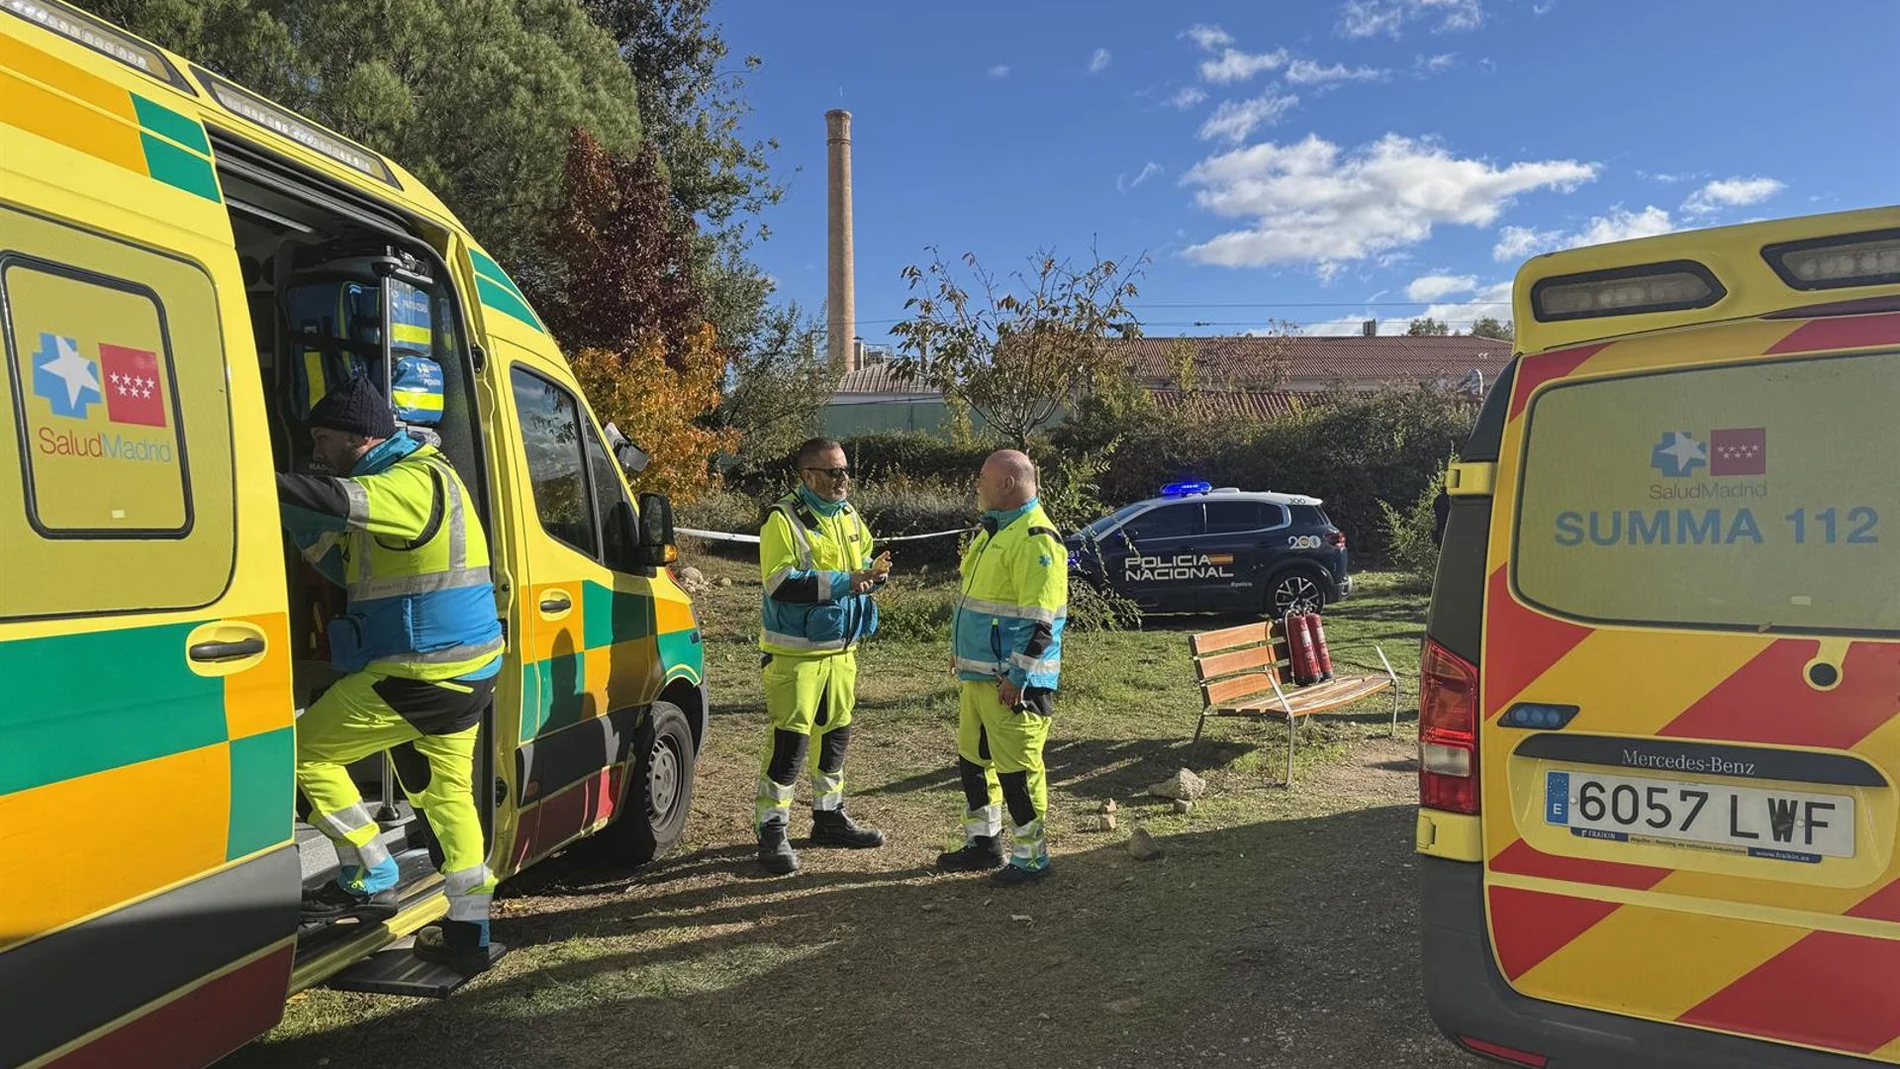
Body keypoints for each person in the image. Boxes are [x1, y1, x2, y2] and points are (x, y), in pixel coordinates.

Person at [279, 377, 504, 975]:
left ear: (357, 436)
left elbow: (335, 500)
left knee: (304, 756)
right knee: (446, 796)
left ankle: (371, 870)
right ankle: (469, 930)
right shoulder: (426, 476)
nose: (318, 451)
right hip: (463, 669)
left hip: (421, 674)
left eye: (324, 438)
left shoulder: (405, 483)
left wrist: (247, 478)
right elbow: (347, 556)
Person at [754, 437, 892, 875]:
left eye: (846, 470)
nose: (844, 479)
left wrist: (875, 576)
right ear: (808, 475)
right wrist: (845, 581)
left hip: (841, 651)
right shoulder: (783, 518)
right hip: (796, 657)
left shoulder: (848, 515)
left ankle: (829, 817)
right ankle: (772, 830)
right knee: (790, 744)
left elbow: (864, 560)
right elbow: (779, 582)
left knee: (835, 737)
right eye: (834, 472)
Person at [937, 449, 1067, 886]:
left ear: (1008, 483)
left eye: (983, 478)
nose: (977, 484)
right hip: (980, 678)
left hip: (1012, 685)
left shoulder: (1035, 539)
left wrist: (1019, 676)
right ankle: (983, 843)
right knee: (974, 763)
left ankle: (1032, 857)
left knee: (1018, 771)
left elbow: (1040, 621)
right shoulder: (994, 531)